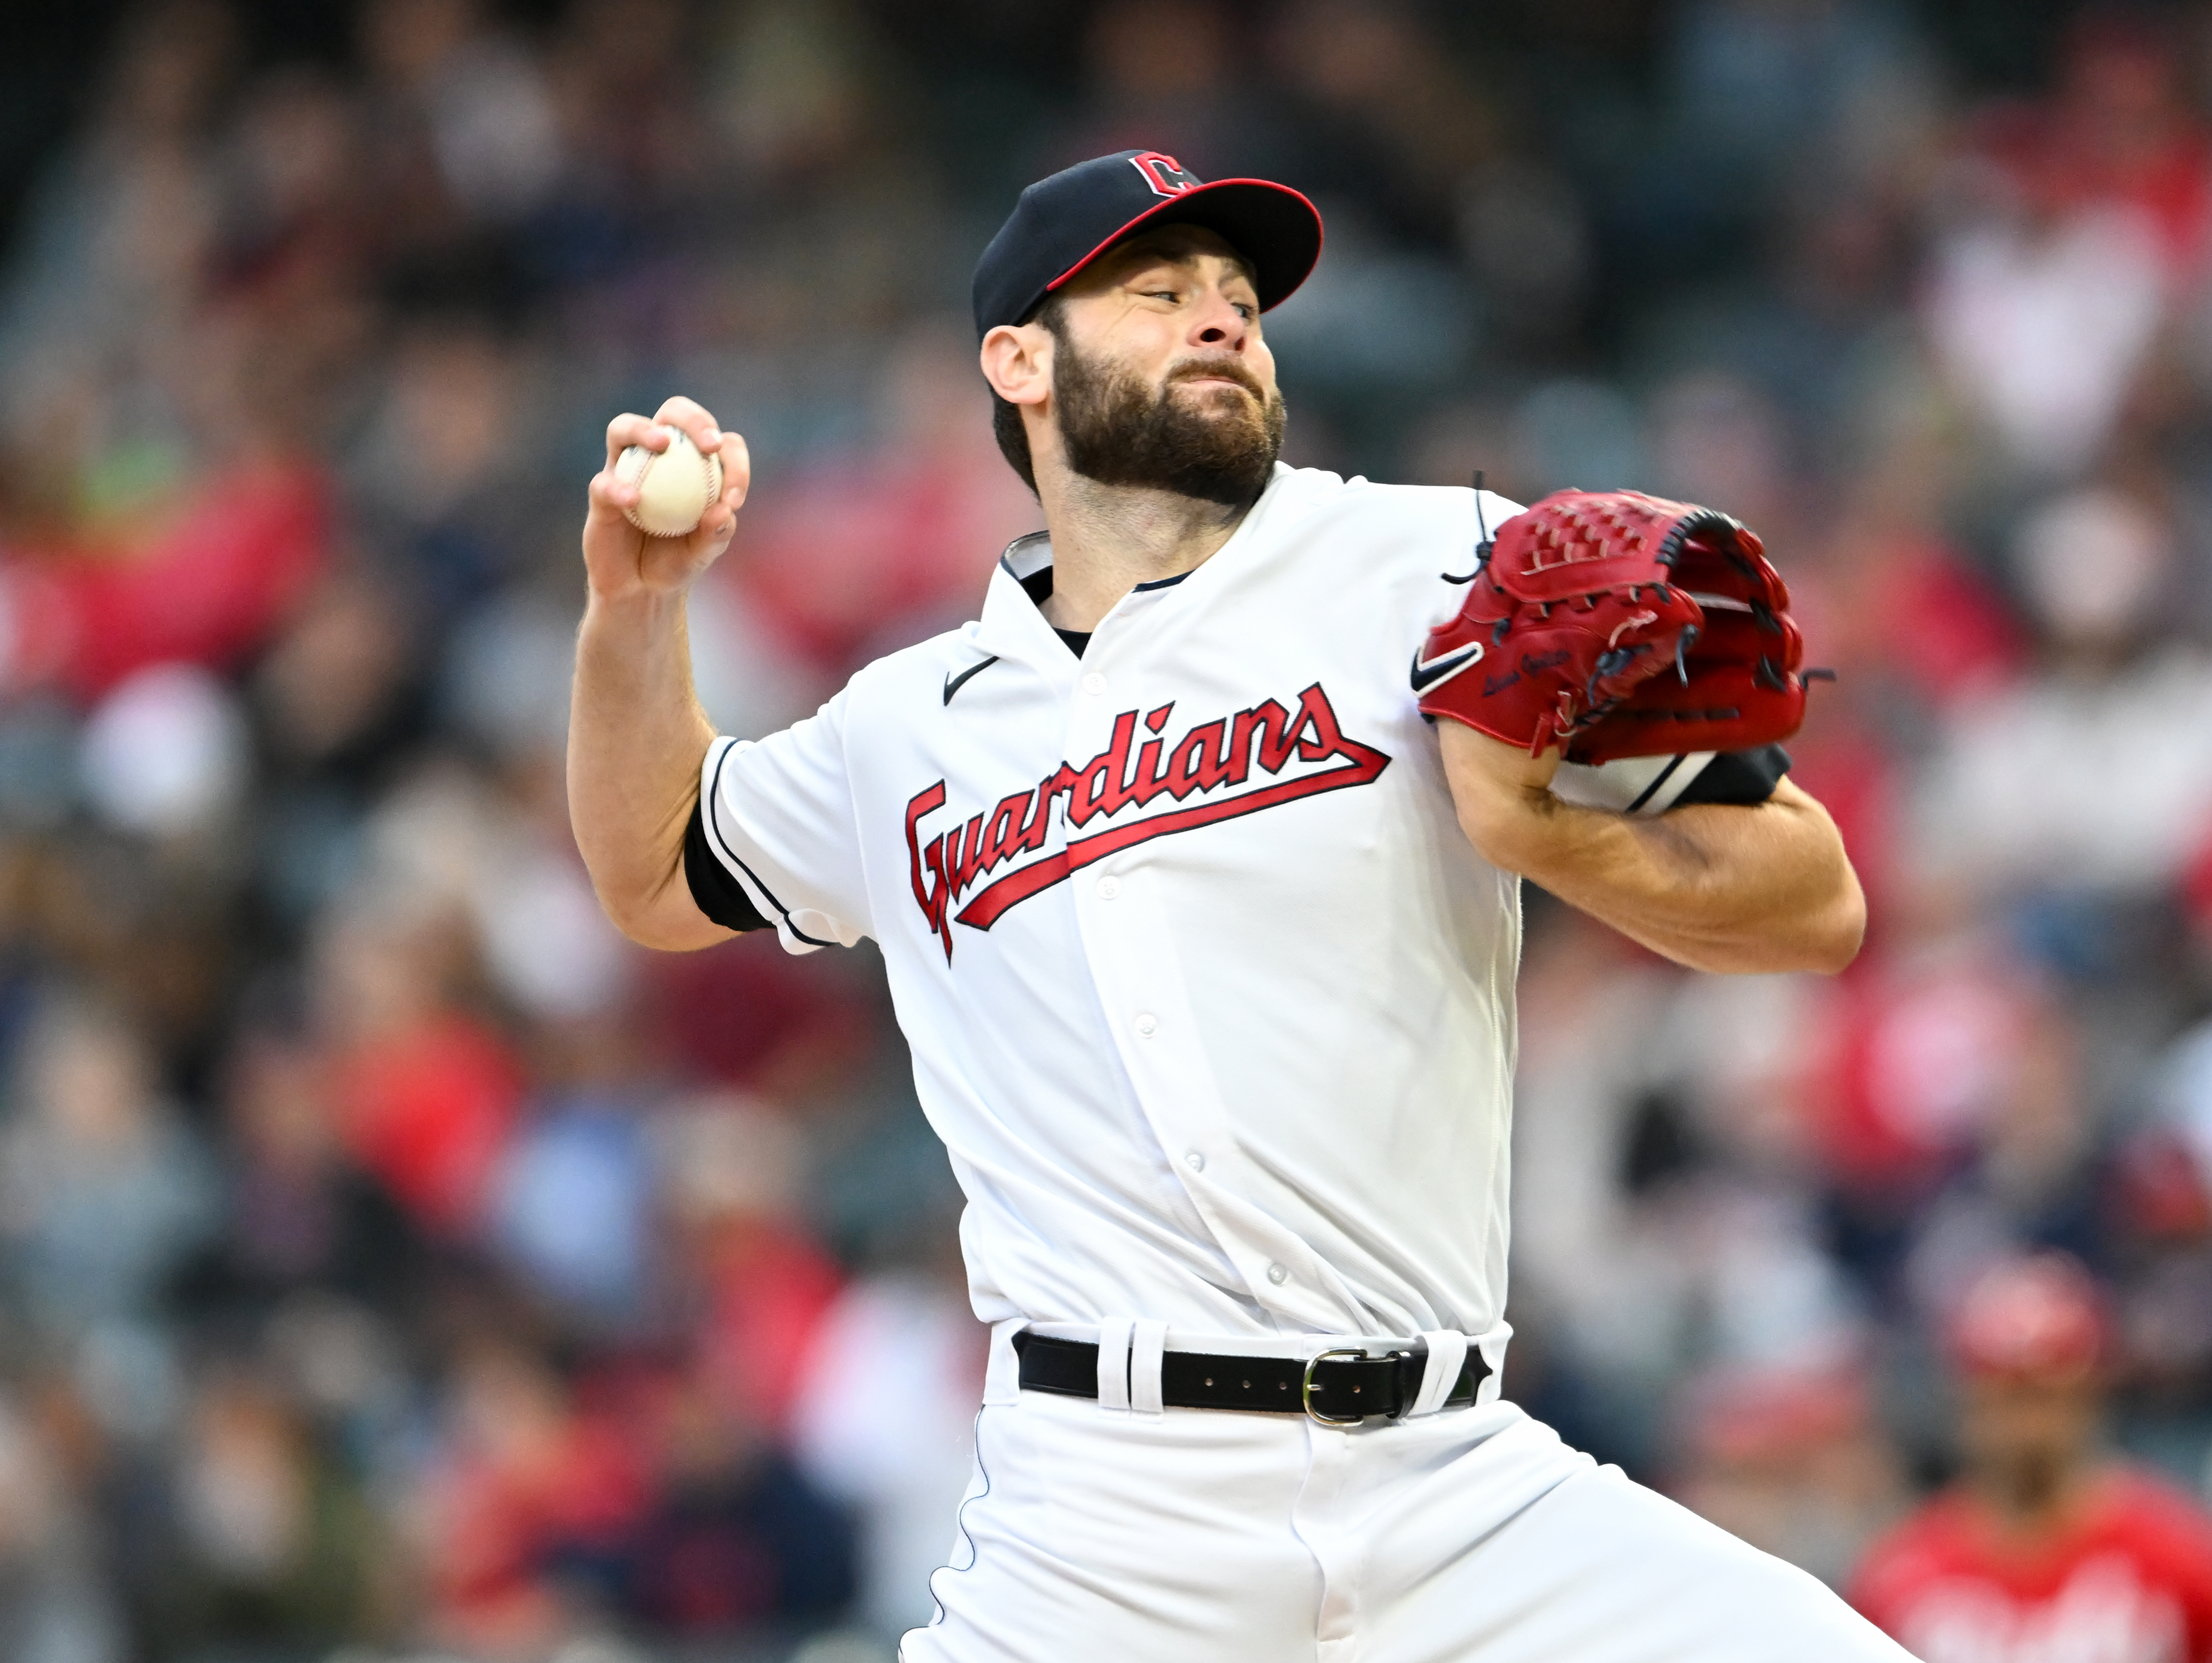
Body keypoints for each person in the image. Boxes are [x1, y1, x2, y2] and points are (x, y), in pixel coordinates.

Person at [568, 147, 1884, 1662]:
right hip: (1106, 1525)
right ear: (1019, 362)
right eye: (1159, 290)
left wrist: (1546, 837)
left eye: (1241, 297)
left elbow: (1815, 897)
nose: (1221, 318)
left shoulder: (1431, 567)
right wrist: (639, 608)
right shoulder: (904, 725)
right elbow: (657, 871)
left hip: (1454, 1486)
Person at [1850, 1255, 2212, 1663]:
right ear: (1964, 1402)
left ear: (2091, 1394)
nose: (2027, 1427)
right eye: (2005, 1396)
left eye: (2047, 1396)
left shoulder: (2187, 1553)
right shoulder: (1899, 1576)